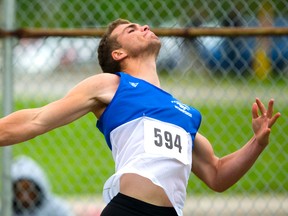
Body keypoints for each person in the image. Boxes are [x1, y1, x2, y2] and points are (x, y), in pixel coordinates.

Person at [0, 18, 281, 216]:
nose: (145, 27)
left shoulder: (183, 112)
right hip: (129, 208)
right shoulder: (111, 85)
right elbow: (36, 119)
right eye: (132, 29)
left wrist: (256, 143)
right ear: (118, 52)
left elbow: (217, 174)